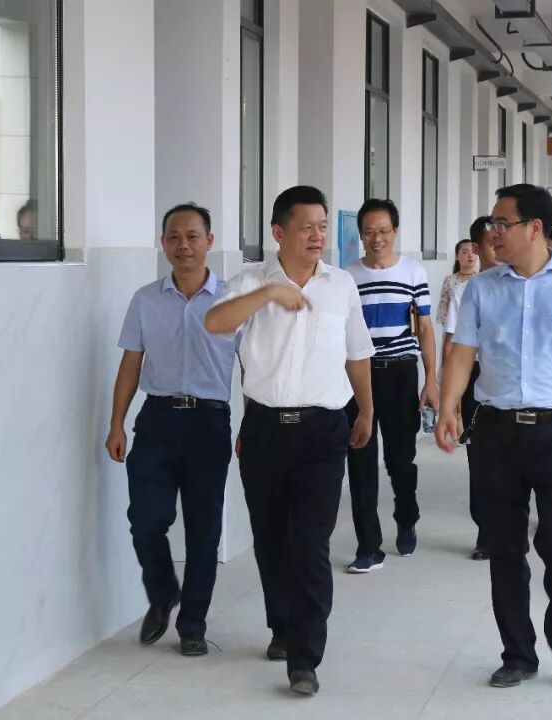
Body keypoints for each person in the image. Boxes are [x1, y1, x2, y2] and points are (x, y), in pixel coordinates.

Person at [436, 184, 552, 688]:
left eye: (502, 223)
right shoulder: (481, 288)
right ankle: (517, 653)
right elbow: (463, 353)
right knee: (505, 548)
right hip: (496, 432)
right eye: (491, 224)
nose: (491, 233)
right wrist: (448, 406)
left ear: (534, 228)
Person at [204, 185, 375, 697]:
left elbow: (357, 353)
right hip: (264, 430)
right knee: (272, 538)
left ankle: (305, 657)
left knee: (311, 542)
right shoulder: (250, 281)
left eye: (322, 227)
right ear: (279, 232)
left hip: (324, 430)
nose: (317, 236)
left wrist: (367, 411)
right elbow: (214, 323)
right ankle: (282, 625)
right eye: (306, 227)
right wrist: (269, 295)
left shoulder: (341, 284)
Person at [106, 202, 235, 657]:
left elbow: (252, 364)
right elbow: (130, 364)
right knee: (145, 518)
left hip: (209, 422)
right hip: (156, 420)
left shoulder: (232, 300)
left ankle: (193, 625)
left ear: (209, 242)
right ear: (163, 244)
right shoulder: (145, 299)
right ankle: (162, 593)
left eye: (193, 237)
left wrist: (253, 424)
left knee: (204, 529)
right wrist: (117, 423)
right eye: (174, 237)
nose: (184, 246)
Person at [342, 198, 438, 572]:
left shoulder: (413, 271)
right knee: (360, 460)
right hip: (358, 375)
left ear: (395, 231)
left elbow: (425, 328)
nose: (377, 238)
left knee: (400, 459)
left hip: (400, 372)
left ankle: (406, 516)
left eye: (383, 231)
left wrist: (431, 380)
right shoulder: (347, 276)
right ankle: (368, 546)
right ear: (360, 234)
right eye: (369, 232)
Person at [443, 217, 497, 560]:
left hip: (509, 380)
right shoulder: (470, 290)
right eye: (493, 241)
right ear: (478, 248)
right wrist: (448, 398)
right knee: (480, 457)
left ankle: (513, 525)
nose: (501, 245)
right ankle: (487, 532)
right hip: (475, 375)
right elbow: (454, 344)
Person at [437, 238, 480, 366]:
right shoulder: (449, 281)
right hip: (454, 336)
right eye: (465, 252)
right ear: (457, 256)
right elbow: (443, 313)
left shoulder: (480, 280)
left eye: (473, 252)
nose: (470, 256)